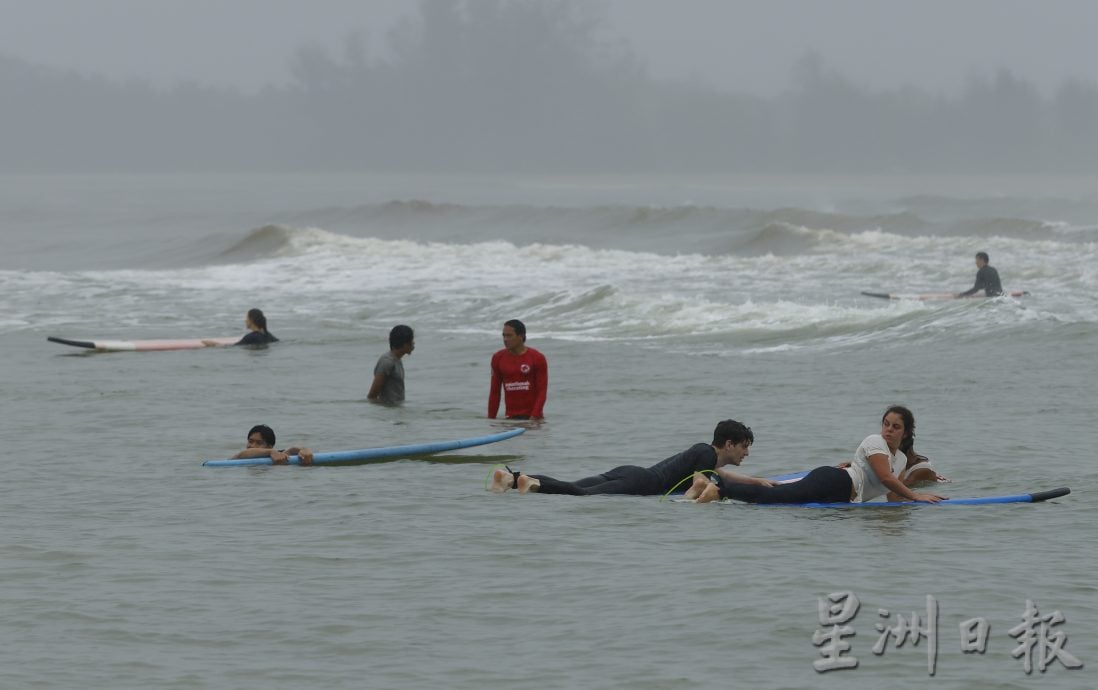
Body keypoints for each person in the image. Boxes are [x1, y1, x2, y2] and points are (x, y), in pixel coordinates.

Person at [691, 406, 945, 505]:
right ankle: (719, 491)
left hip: (840, 495)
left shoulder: (899, 459)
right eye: (886, 424)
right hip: (835, 482)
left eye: (895, 427)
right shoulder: (875, 441)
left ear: (906, 432)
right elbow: (886, 479)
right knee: (774, 499)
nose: (888, 430)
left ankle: (719, 487)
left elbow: (892, 495)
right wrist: (917, 495)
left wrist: (911, 506)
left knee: (778, 499)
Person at [488, 419, 772, 496]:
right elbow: (701, 483)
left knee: (574, 485)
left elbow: (720, 475)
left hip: (631, 472)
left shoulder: (703, 452)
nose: (746, 453)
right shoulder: (705, 455)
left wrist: (757, 482)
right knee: (580, 494)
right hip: (639, 484)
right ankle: (531, 484)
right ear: (729, 443)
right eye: (744, 446)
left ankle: (511, 479)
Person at [488, 319, 548, 420]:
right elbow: (495, 392)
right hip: (510, 419)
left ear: (521, 336)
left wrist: (534, 417)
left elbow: (542, 391)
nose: (505, 339)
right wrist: (491, 419)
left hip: (532, 419)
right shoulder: (498, 358)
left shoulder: (537, 358)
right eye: (504, 335)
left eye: (509, 335)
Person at [368, 325, 415, 405]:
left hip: (394, 411)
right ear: (404, 344)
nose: (413, 343)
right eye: (411, 341)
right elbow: (372, 396)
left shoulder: (397, 359)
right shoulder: (387, 361)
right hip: (388, 412)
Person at [232, 424, 314, 465]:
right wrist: (270, 452)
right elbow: (243, 453)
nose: (252, 446)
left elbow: (291, 450)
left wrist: (304, 449)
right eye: (250, 441)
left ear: (269, 446)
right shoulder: (239, 457)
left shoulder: (278, 456)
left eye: (259, 443)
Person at [203, 308, 278, 347]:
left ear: (251, 320)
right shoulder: (268, 335)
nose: (245, 321)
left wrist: (213, 344)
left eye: (247, 318)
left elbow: (233, 348)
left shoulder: (250, 337)